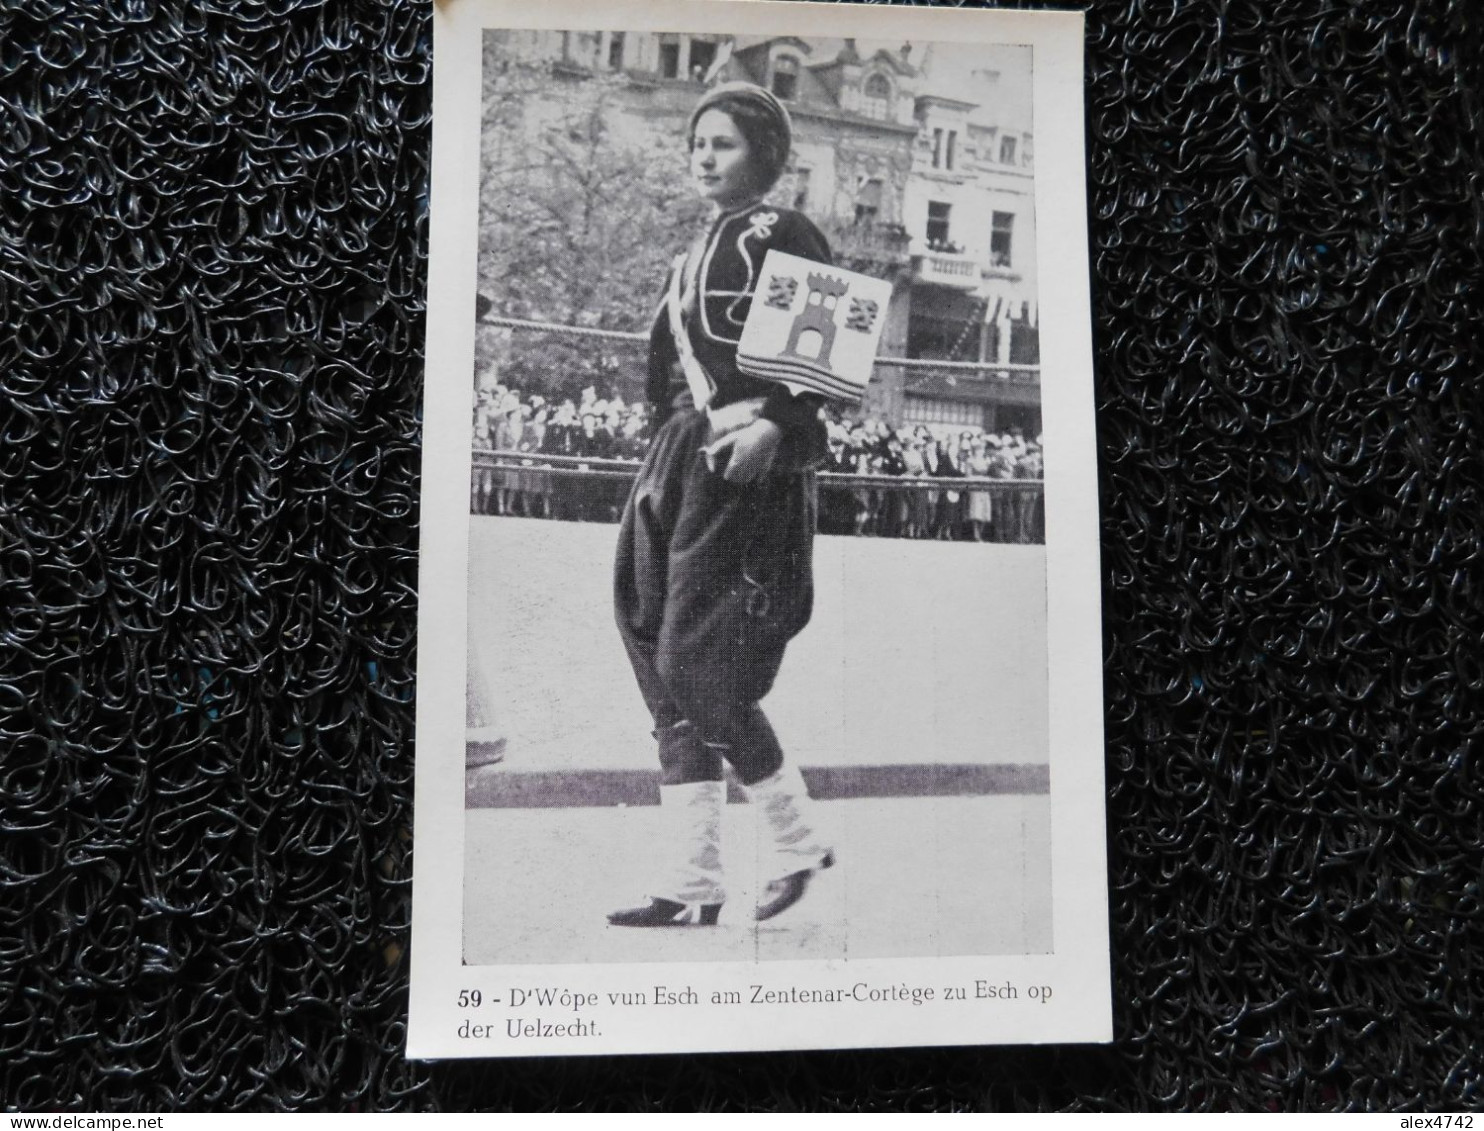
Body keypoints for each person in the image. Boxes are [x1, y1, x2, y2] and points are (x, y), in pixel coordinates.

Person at [609, 83, 835, 928]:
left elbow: (829, 347)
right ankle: (693, 878)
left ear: (764, 155)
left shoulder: (782, 231)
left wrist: (775, 422)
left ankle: (798, 838)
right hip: (676, 457)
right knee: (650, 642)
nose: (705, 155)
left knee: (700, 660)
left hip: (741, 460)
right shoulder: (693, 250)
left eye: (725, 143)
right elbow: (664, 372)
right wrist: (659, 451)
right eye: (698, 142)